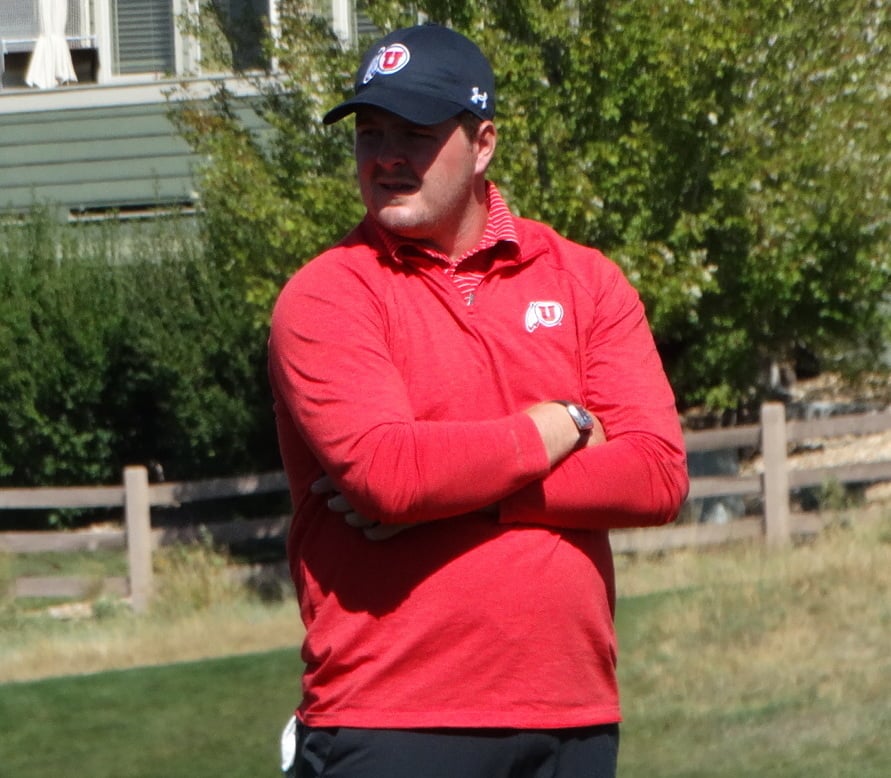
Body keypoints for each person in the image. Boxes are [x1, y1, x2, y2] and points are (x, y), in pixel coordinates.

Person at [268, 23, 689, 778]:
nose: (386, 156)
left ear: (483, 142)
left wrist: (462, 491)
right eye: (369, 134)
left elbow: (656, 476)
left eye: (415, 133)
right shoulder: (327, 294)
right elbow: (390, 475)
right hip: (390, 718)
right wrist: (560, 424)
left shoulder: (585, 281)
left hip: (573, 718)